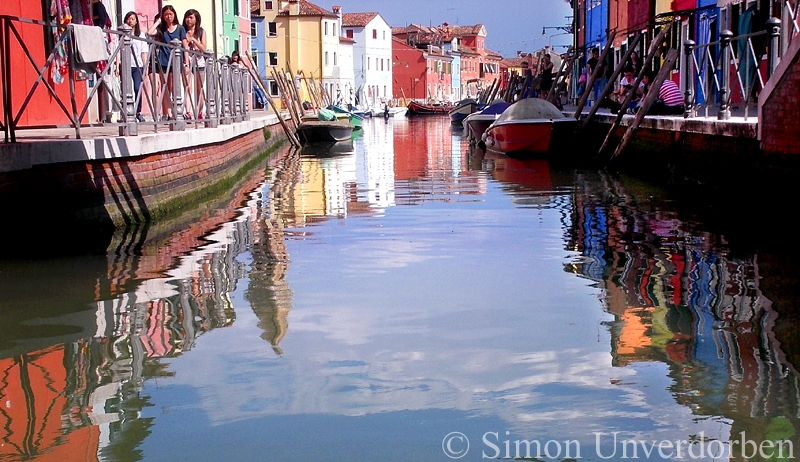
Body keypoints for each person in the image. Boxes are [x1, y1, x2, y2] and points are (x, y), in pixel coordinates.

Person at [147, 5, 188, 120]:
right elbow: (150, 32)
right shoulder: (162, 29)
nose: (168, 17)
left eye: (170, 14)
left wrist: (187, 63)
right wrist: (158, 21)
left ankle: (178, 111)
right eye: (166, 14)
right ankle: (170, 114)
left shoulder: (180, 28)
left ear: (174, 14)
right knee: (164, 87)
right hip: (163, 60)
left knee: (175, 87)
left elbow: (185, 46)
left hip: (176, 61)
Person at [123, 12, 148, 122]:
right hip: (126, 65)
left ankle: (138, 111)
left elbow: (144, 52)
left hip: (138, 65)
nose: (130, 21)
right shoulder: (122, 34)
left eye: (132, 19)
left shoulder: (140, 35)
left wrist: (145, 67)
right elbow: (119, 50)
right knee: (126, 90)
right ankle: (126, 112)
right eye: (128, 19)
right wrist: (117, 64)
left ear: (136, 21)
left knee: (137, 88)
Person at [183, 9, 207, 119]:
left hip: (199, 63)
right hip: (187, 62)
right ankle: (187, 112)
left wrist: (193, 39)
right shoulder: (182, 31)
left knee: (199, 89)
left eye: (191, 17)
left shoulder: (201, 32)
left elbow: (203, 48)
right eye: (187, 17)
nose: (188, 20)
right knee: (188, 87)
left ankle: (199, 112)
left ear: (196, 19)